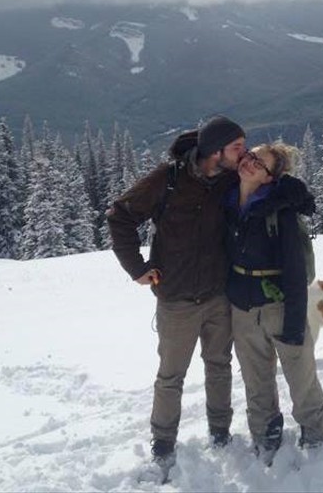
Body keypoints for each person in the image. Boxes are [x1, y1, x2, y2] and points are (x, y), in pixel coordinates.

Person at [106, 115, 246, 464]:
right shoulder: (167, 180)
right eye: (237, 147)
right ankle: (164, 442)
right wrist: (136, 269)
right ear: (215, 152)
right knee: (171, 376)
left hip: (218, 293)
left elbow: (270, 184)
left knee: (219, 365)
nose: (244, 153)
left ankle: (220, 431)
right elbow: (119, 215)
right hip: (177, 299)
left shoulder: (231, 179)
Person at [224, 142, 323, 459]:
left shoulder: (279, 211)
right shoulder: (228, 202)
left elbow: (295, 270)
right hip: (243, 308)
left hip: (281, 306)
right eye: (250, 156)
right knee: (255, 378)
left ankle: (317, 432)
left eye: (260, 163)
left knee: (301, 377)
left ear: (270, 178)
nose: (250, 163)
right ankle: (264, 431)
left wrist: (294, 323)